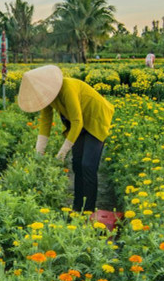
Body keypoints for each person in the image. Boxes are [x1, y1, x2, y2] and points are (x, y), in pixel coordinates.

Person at [18, 65, 114, 213]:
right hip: (79, 122)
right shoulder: (47, 97)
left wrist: (62, 152)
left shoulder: (67, 88)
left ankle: (88, 210)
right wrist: (39, 153)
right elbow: (45, 123)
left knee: (88, 165)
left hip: (95, 118)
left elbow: (77, 121)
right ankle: (77, 206)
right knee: (77, 164)